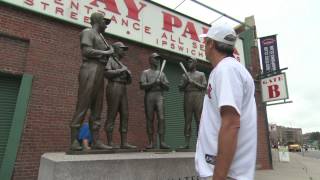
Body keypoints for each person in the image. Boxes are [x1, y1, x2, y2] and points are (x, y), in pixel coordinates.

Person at [195, 23, 257, 180]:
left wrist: (219, 176)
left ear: (211, 44)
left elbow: (231, 124)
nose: (204, 45)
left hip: (224, 174)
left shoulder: (227, 70)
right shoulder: (229, 69)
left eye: (206, 41)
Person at [69, 12, 113, 151]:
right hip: (90, 69)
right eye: (104, 22)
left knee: (97, 107)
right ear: (98, 21)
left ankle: (96, 141)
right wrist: (106, 53)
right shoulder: (88, 32)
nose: (106, 25)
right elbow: (86, 51)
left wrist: (108, 53)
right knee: (83, 104)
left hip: (100, 71)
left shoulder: (101, 37)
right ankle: (74, 141)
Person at [104, 42, 136, 149]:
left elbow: (128, 82)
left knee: (125, 114)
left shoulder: (122, 64)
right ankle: (110, 142)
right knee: (112, 113)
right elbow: (107, 73)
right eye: (122, 49)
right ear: (116, 49)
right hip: (114, 86)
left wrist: (129, 75)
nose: (124, 51)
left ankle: (124, 142)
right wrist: (121, 70)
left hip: (123, 88)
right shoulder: (110, 60)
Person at [140, 53, 170, 149]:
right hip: (149, 95)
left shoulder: (161, 74)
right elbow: (142, 85)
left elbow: (167, 87)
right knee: (150, 119)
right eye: (155, 59)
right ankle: (150, 142)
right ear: (150, 60)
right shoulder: (145, 72)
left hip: (159, 95)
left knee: (161, 118)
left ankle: (162, 142)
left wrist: (161, 82)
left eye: (158, 59)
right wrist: (153, 83)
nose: (157, 61)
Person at [178, 57, 207, 149]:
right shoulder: (184, 76)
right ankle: (186, 143)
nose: (188, 63)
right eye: (188, 62)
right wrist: (186, 82)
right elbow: (180, 88)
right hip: (188, 96)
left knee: (199, 120)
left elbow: (204, 87)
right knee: (187, 120)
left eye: (190, 62)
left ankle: (200, 143)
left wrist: (193, 82)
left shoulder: (201, 74)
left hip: (198, 96)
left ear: (195, 63)